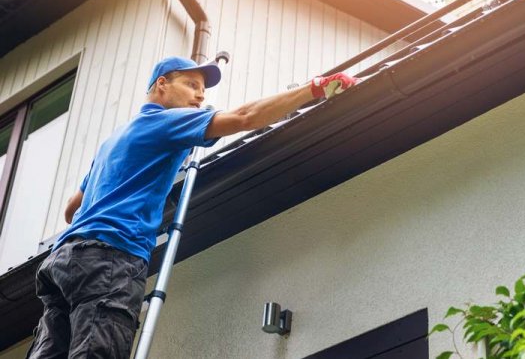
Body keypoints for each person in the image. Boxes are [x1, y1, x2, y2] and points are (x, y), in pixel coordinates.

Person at [26, 56, 358, 359]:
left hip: (63, 261)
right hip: (110, 259)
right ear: (161, 85)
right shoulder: (166, 122)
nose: (200, 96)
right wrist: (314, 88)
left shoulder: (114, 140)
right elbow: (245, 117)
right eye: (192, 85)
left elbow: (72, 209)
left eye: (202, 89)